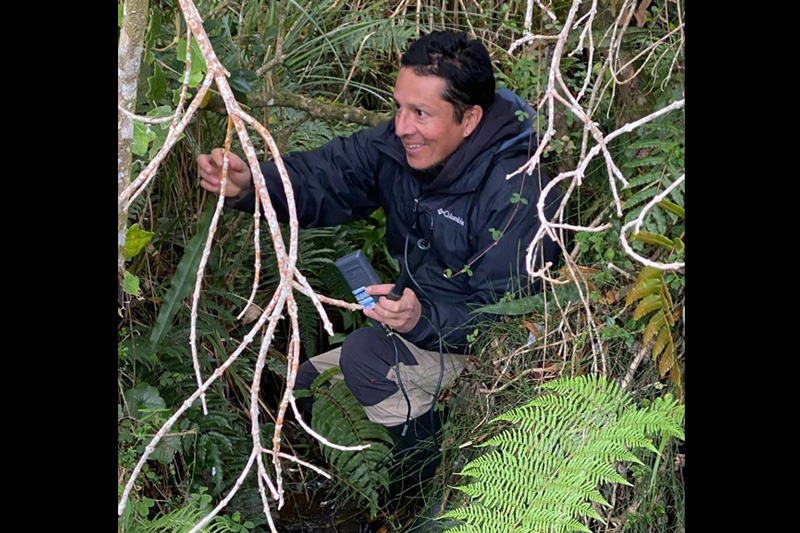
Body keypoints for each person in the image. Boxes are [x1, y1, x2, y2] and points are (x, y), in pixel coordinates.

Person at [198, 31, 560, 478]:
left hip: (478, 353)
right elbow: (328, 175)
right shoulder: (400, 145)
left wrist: (421, 319)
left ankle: (443, 488)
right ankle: (373, 487)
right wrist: (251, 183)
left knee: (365, 357)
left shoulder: (518, 191)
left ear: (469, 120)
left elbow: (506, 322)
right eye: (400, 107)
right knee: (309, 385)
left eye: (421, 113)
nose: (403, 126)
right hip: (416, 325)